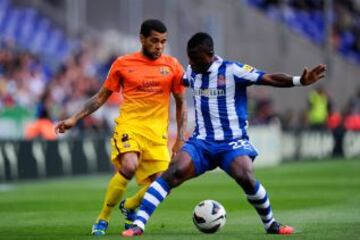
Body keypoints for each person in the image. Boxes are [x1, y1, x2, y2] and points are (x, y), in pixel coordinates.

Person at [122, 32, 326, 237]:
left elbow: (269, 78)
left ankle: (271, 224)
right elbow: (171, 79)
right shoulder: (192, 72)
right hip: (201, 142)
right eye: (189, 58)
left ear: (210, 54)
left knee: (245, 176)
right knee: (172, 172)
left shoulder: (232, 70)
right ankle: (138, 224)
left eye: (196, 58)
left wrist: (300, 80)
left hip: (232, 142)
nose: (191, 63)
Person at [54, 19, 187, 236]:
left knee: (167, 182)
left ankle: (131, 205)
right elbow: (100, 97)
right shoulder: (123, 63)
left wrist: (180, 137)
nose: (159, 46)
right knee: (129, 166)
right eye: (154, 41)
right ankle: (102, 219)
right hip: (130, 126)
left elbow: (182, 103)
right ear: (142, 39)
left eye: (163, 42)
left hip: (157, 133)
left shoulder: (172, 65)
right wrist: (74, 118)